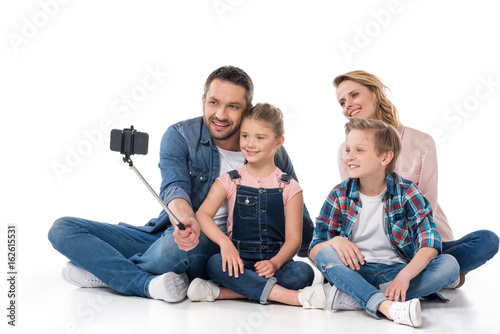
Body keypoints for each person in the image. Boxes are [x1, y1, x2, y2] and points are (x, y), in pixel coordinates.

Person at [47, 66, 314, 303]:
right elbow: (174, 188)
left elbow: (296, 208)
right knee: (63, 229)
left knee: (182, 248)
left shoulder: (269, 149)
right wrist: (186, 223)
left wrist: (315, 250)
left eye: (232, 106)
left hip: (227, 251)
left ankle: (108, 272)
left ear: (249, 109)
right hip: (177, 232)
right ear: (203, 101)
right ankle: (142, 282)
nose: (220, 114)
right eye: (214, 102)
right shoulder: (180, 135)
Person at [334, 70, 499, 288]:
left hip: (423, 241)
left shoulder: (421, 142)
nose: (348, 105)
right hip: (378, 249)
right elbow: (354, 206)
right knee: (327, 253)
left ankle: (413, 276)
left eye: (354, 95)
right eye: (342, 102)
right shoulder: (346, 152)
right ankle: (434, 279)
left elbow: (427, 205)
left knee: (487, 240)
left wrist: (418, 251)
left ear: (374, 93)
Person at [309, 118, 460, 327]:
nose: (349, 157)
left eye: (359, 150)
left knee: (450, 265)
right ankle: (387, 306)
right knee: (326, 253)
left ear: (385, 157)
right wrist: (335, 241)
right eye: (348, 149)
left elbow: (430, 242)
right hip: (357, 270)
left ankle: (355, 296)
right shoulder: (339, 194)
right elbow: (315, 250)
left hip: (396, 272)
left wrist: (405, 276)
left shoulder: (407, 192)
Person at [187, 103, 325, 308]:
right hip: (239, 261)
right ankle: (288, 297)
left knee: (302, 273)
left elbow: (294, 240)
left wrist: (275, 263)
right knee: (215, 264)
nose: (250, 144)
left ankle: (226, 292)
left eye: (260, 138)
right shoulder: (229, 180)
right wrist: (225, 244)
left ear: (279, 141)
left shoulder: (290, 187)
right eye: (245, 136)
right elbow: (203, 215)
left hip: (276, 264)